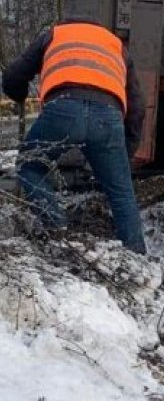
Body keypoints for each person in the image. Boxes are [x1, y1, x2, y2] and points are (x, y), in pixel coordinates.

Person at [2, 18, 147, 254]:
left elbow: (13, 76)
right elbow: (137, 110)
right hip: (108, 117)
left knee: (29, 166)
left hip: (63, 109)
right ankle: (138, 256)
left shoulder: (53, 35)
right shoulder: (116, 46)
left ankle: (57, 227)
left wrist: (19, 95)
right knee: (121, 191)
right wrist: (125, 153)